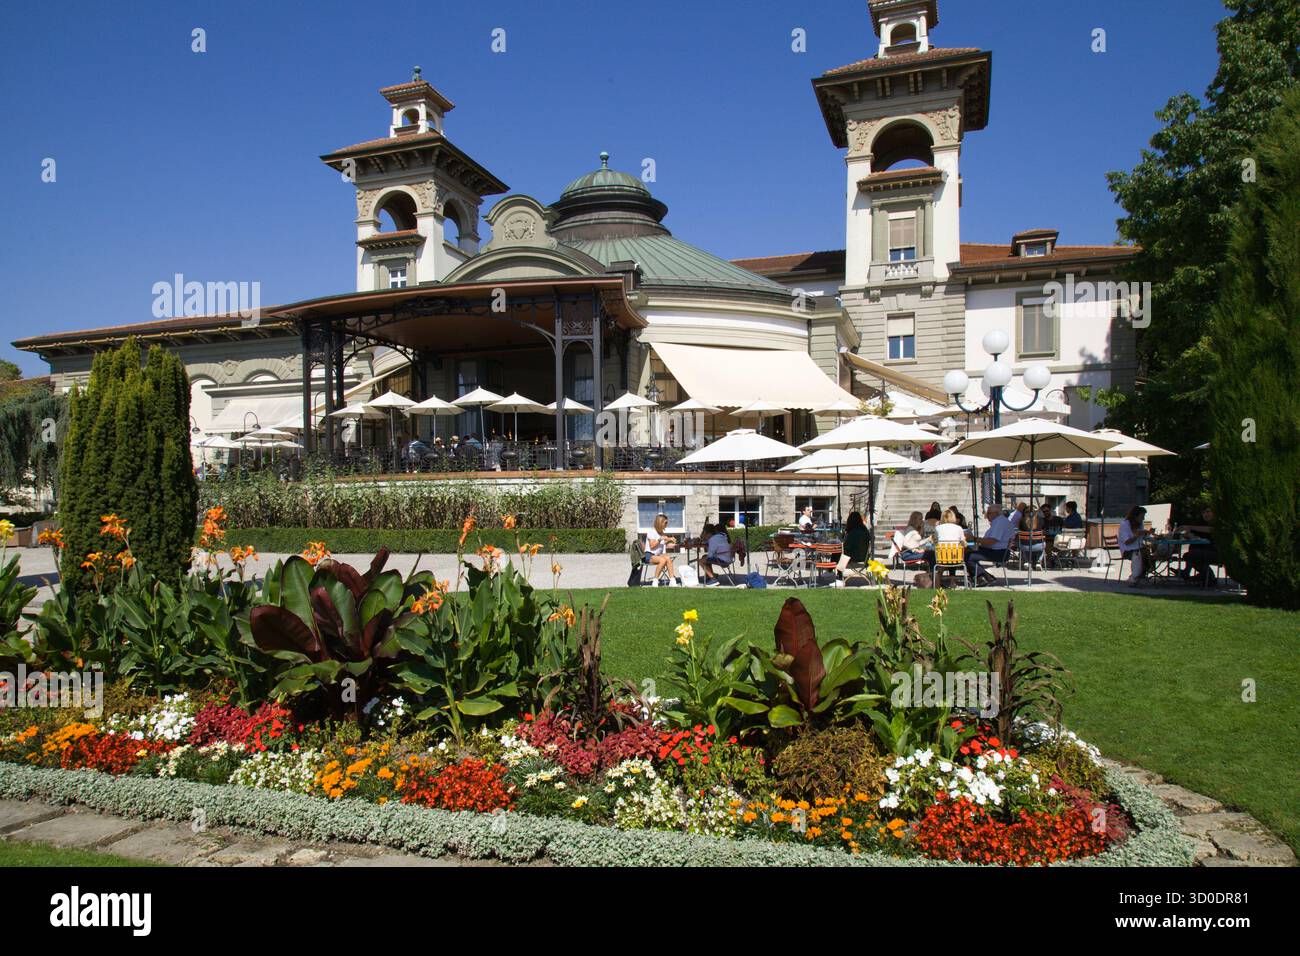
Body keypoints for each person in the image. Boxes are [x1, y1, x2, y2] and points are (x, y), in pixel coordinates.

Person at [966, 504, 1016, 585]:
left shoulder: (999, 522)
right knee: (968, 552)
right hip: (996, 550)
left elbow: (992, 541)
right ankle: (981, 577)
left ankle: (984, 577)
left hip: (998, 552)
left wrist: (974, 539)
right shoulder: (1000, 521)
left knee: (969, 556)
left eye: (989, 513)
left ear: (996, 513)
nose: (986, 516)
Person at [1177, 507, 1219, 587]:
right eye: (1204, 512)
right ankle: (1209, 578)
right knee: (1191, 555)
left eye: (1208, 511)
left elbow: (1211, 530)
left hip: (1216, 552)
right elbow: (1191, 535)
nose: (1205, 514)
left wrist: (1190, 527)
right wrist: (1188, 534)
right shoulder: (1200, 523)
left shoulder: (1217, 523)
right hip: (1203, 551)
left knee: (1191, 555)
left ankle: (1187, 573)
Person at [644, 513, 682, 586]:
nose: (666, 524)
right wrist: (660, 539)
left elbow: (664, 544)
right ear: (660, 522)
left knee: (668, 559)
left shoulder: (661, 532)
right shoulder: (651, 532)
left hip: (658, 555)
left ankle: (672, 580)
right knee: (663, 560)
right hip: (650, 555)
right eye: (665, 523)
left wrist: (674, 545)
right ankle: (655, 581)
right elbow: (652, 546)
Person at [894, 510, 936, 574]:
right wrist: (915, 550)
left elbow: (918, 543)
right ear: (915, 519)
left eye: (922, 518)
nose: (922, 520)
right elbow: (904, 542)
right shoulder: (910, 529)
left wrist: (928, 539)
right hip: (908, 554)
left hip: (910, 553)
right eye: (920, 519)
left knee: (932, 551)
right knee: (931, 554)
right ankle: (932, 574)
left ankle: (931, 573)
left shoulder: (914, 529)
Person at [834, 511, 870, 586]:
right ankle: (839, 576)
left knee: (838, 554)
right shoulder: (865, 531)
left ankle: (839, 576)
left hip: (852, 556)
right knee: (841, 553)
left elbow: (847, 546)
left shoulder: (852, 532)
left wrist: (841, 540)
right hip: (864, 557)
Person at [1118, 505, 1149, 586]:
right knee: (1140, 554)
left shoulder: (1140, 524)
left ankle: (1139, 576)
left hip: (1139, 548)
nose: (1143, 519)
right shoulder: (1125, 524)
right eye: (1142, 516)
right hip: (1127, 550)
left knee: (1149, 554)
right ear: (1135, 516)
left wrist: (1147, 533)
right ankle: (1136, 577)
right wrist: (1137, 535)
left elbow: (1143, 539)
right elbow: (1127, 542)